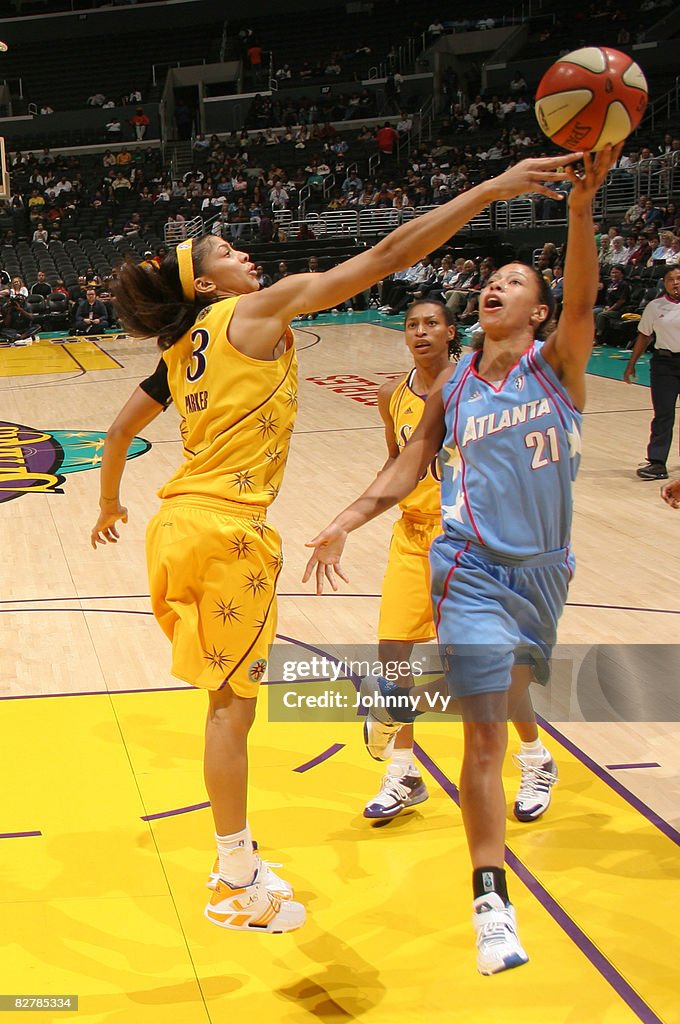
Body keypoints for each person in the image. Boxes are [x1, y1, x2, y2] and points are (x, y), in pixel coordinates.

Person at [89, 151, 578, 937]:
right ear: (209, 284)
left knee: (228, 705)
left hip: (178, 527)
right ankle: (233, 883)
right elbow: (385, 256)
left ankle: (243, 860)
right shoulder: (255, 311)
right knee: (229, 712)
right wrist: (486, 188)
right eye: (225, 252)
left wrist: (111, 498)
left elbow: (118, 430)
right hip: (226, 532)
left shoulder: (182, 351)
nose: (243, 253)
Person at [303, 146, 617, 974]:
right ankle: (492, 903)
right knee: (480, 733)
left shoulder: (561, 372)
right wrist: (350, 514)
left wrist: (581, 209)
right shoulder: (455, 388)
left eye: (516, 283)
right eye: (493, 280)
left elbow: (584, 293)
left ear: (540, 314)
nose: (497, 286)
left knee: (512, 706)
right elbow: (412, 461)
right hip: (467, 565)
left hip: (543, 574)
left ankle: (536, 756)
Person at [364, 300, 558, 824]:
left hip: (469, 542)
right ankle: (403, 771)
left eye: (431, 323)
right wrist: (351, 518)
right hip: (411, 535)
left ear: (452, 331)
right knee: (392, 654)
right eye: (411, 324)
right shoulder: (392, 394)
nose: (420, 331)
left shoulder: (477, 389)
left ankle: (536, 758)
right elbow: (397, 458)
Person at [623, 266, 680, 479]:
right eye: (670, 279)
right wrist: (631, 364)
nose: (676, 282)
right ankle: (657, 463)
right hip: (664, 365)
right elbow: (644, 336)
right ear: (663, 283)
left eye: (679, 278)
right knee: (663, 414)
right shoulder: (655, 307)